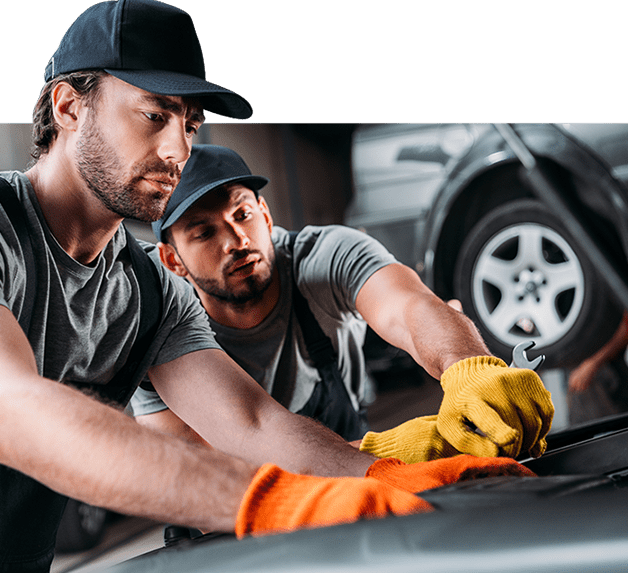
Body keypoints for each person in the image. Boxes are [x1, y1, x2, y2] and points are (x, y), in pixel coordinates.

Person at [0, 0, 535, 572]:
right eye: (154, 116)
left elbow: (255, 425)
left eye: (189, 125)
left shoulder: (146, 292)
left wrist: (376, 473)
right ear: (70, 107)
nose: (177, 149)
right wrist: (274, 504)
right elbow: (7, 408)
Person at [134, 144, 554, 462]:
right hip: (254, 506)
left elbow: (409, 307)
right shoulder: (158, 320)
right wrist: (386, 454)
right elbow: (208, 465)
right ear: (173, 260)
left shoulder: (325, 256)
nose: (236, 242)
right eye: (204, 234)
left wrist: (468, 367)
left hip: (353, 454)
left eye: (241, 214)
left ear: (265, 214)